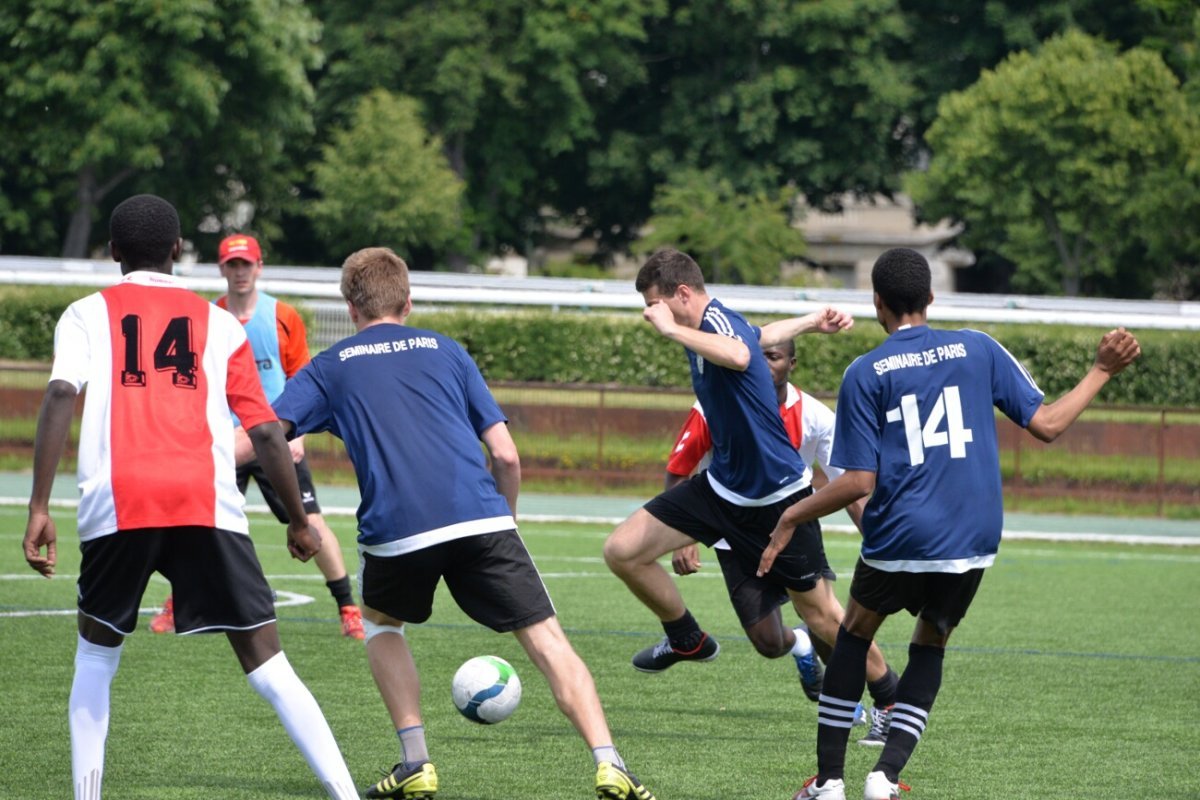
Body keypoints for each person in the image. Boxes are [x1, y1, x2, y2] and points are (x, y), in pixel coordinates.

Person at [256, 246, 657, 800]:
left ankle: (416, 760)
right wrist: (506, 522)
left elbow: (265, 435)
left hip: (398, 530)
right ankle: (610, 763)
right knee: (546, 639)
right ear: (409, 301)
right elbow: (507, 455)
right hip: (481, 517)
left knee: (382, 624)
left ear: (351, 307)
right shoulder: (448, 351)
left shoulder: (331, 365)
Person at [759, 247, 1142, 800]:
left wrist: (791, 514)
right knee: (931, 643)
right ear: (932, 299)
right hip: (973, 535)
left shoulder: (866, 371)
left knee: (853, 636)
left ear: (878, 303)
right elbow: (1049, 424)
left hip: (900, 536)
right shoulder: (979, 348)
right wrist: (1102, 368)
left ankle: (830, 782)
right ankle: (884, 779)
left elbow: (859, 482)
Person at [21, 194, 359, 800]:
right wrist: (301, 520)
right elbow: (264, 431)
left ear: (113, 253)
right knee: (269, 664)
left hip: (118, 501)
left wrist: (39, 507)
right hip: (205, 501)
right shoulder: (221, 322)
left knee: (96, 660)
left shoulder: (83, 314)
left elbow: (58, 398)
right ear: (179, 251)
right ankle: (345, 793)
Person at [603, 248, 893, 738]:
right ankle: (686, 636)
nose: (651, 314)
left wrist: (671, 330)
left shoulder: (709, 326)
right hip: (721, 493)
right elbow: (758, 337)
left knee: (823, 617)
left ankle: (890, 700)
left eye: (656, 304)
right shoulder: (717, 321)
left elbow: (741, 353)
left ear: (682, 294)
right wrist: (810, 321)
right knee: (623, 550)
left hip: (779, 499)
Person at [663, 338, 895, 739]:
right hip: (733, 535)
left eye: (773, 356)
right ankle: (802, 650)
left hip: (795, 525)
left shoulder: (816, 417)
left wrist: (878, 542)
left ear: (792, 362)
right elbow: (680, 468)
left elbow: (850, 486)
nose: (764, 365)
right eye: (758, 357)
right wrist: (684, 537)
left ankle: (869, 703)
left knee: (826, 621)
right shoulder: (715, 405)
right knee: (768, 642)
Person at [150, 233, 364, 639]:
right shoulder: (208, 315)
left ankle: (348, 608)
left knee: (311, 521)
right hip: (223, 441)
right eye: (232, 265)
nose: (240, 272)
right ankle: (177, 603)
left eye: (246, 264)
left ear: (259, 267)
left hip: (272, 437)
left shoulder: (283, 316)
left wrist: (297, 433)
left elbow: (302, 378)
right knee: (193, 521)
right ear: (222, 270)